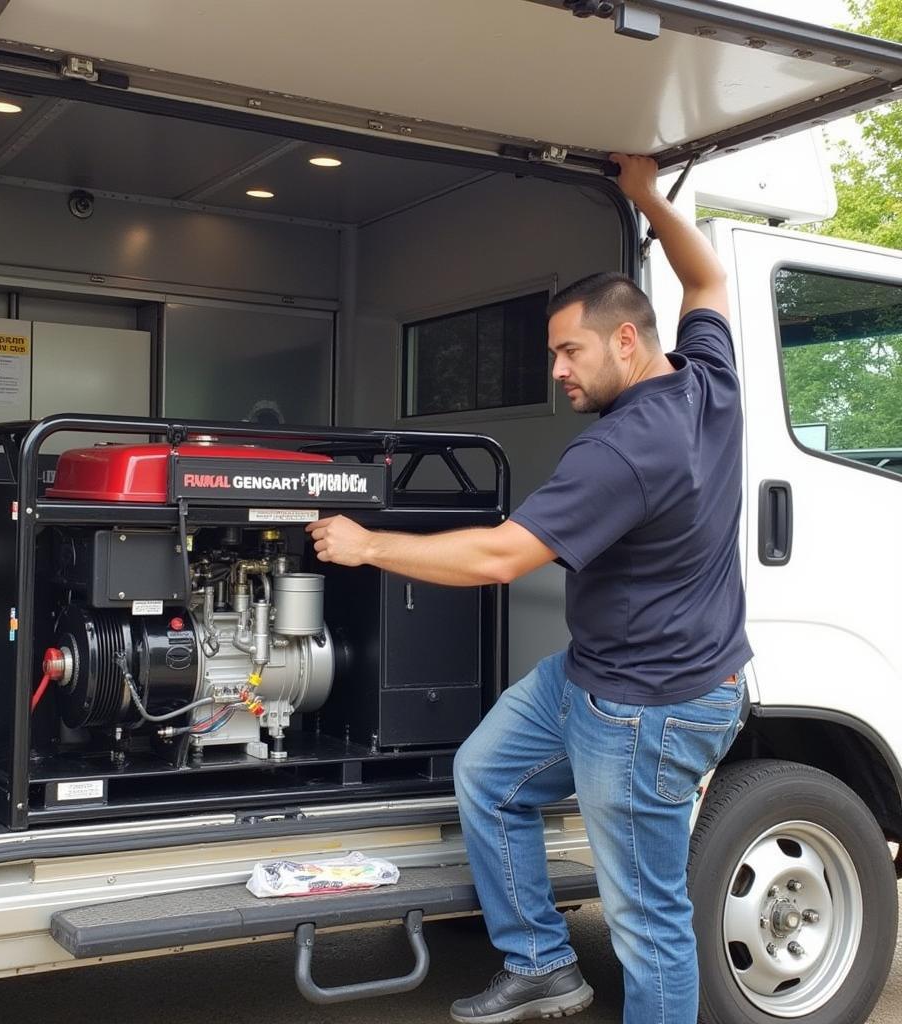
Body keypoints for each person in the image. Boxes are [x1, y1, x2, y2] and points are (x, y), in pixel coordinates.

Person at [305, 153, 752, 1024]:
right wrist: (645, 197)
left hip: (646, 712)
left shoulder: (624, 450)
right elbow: (707, 275)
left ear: (627, 339)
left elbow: (498, 559)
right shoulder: (710, 377)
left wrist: (366, 546)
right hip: (600, 675)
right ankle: (544, 964)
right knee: (488, 774)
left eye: (568, 350)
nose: (558, 370)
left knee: (648, 921)